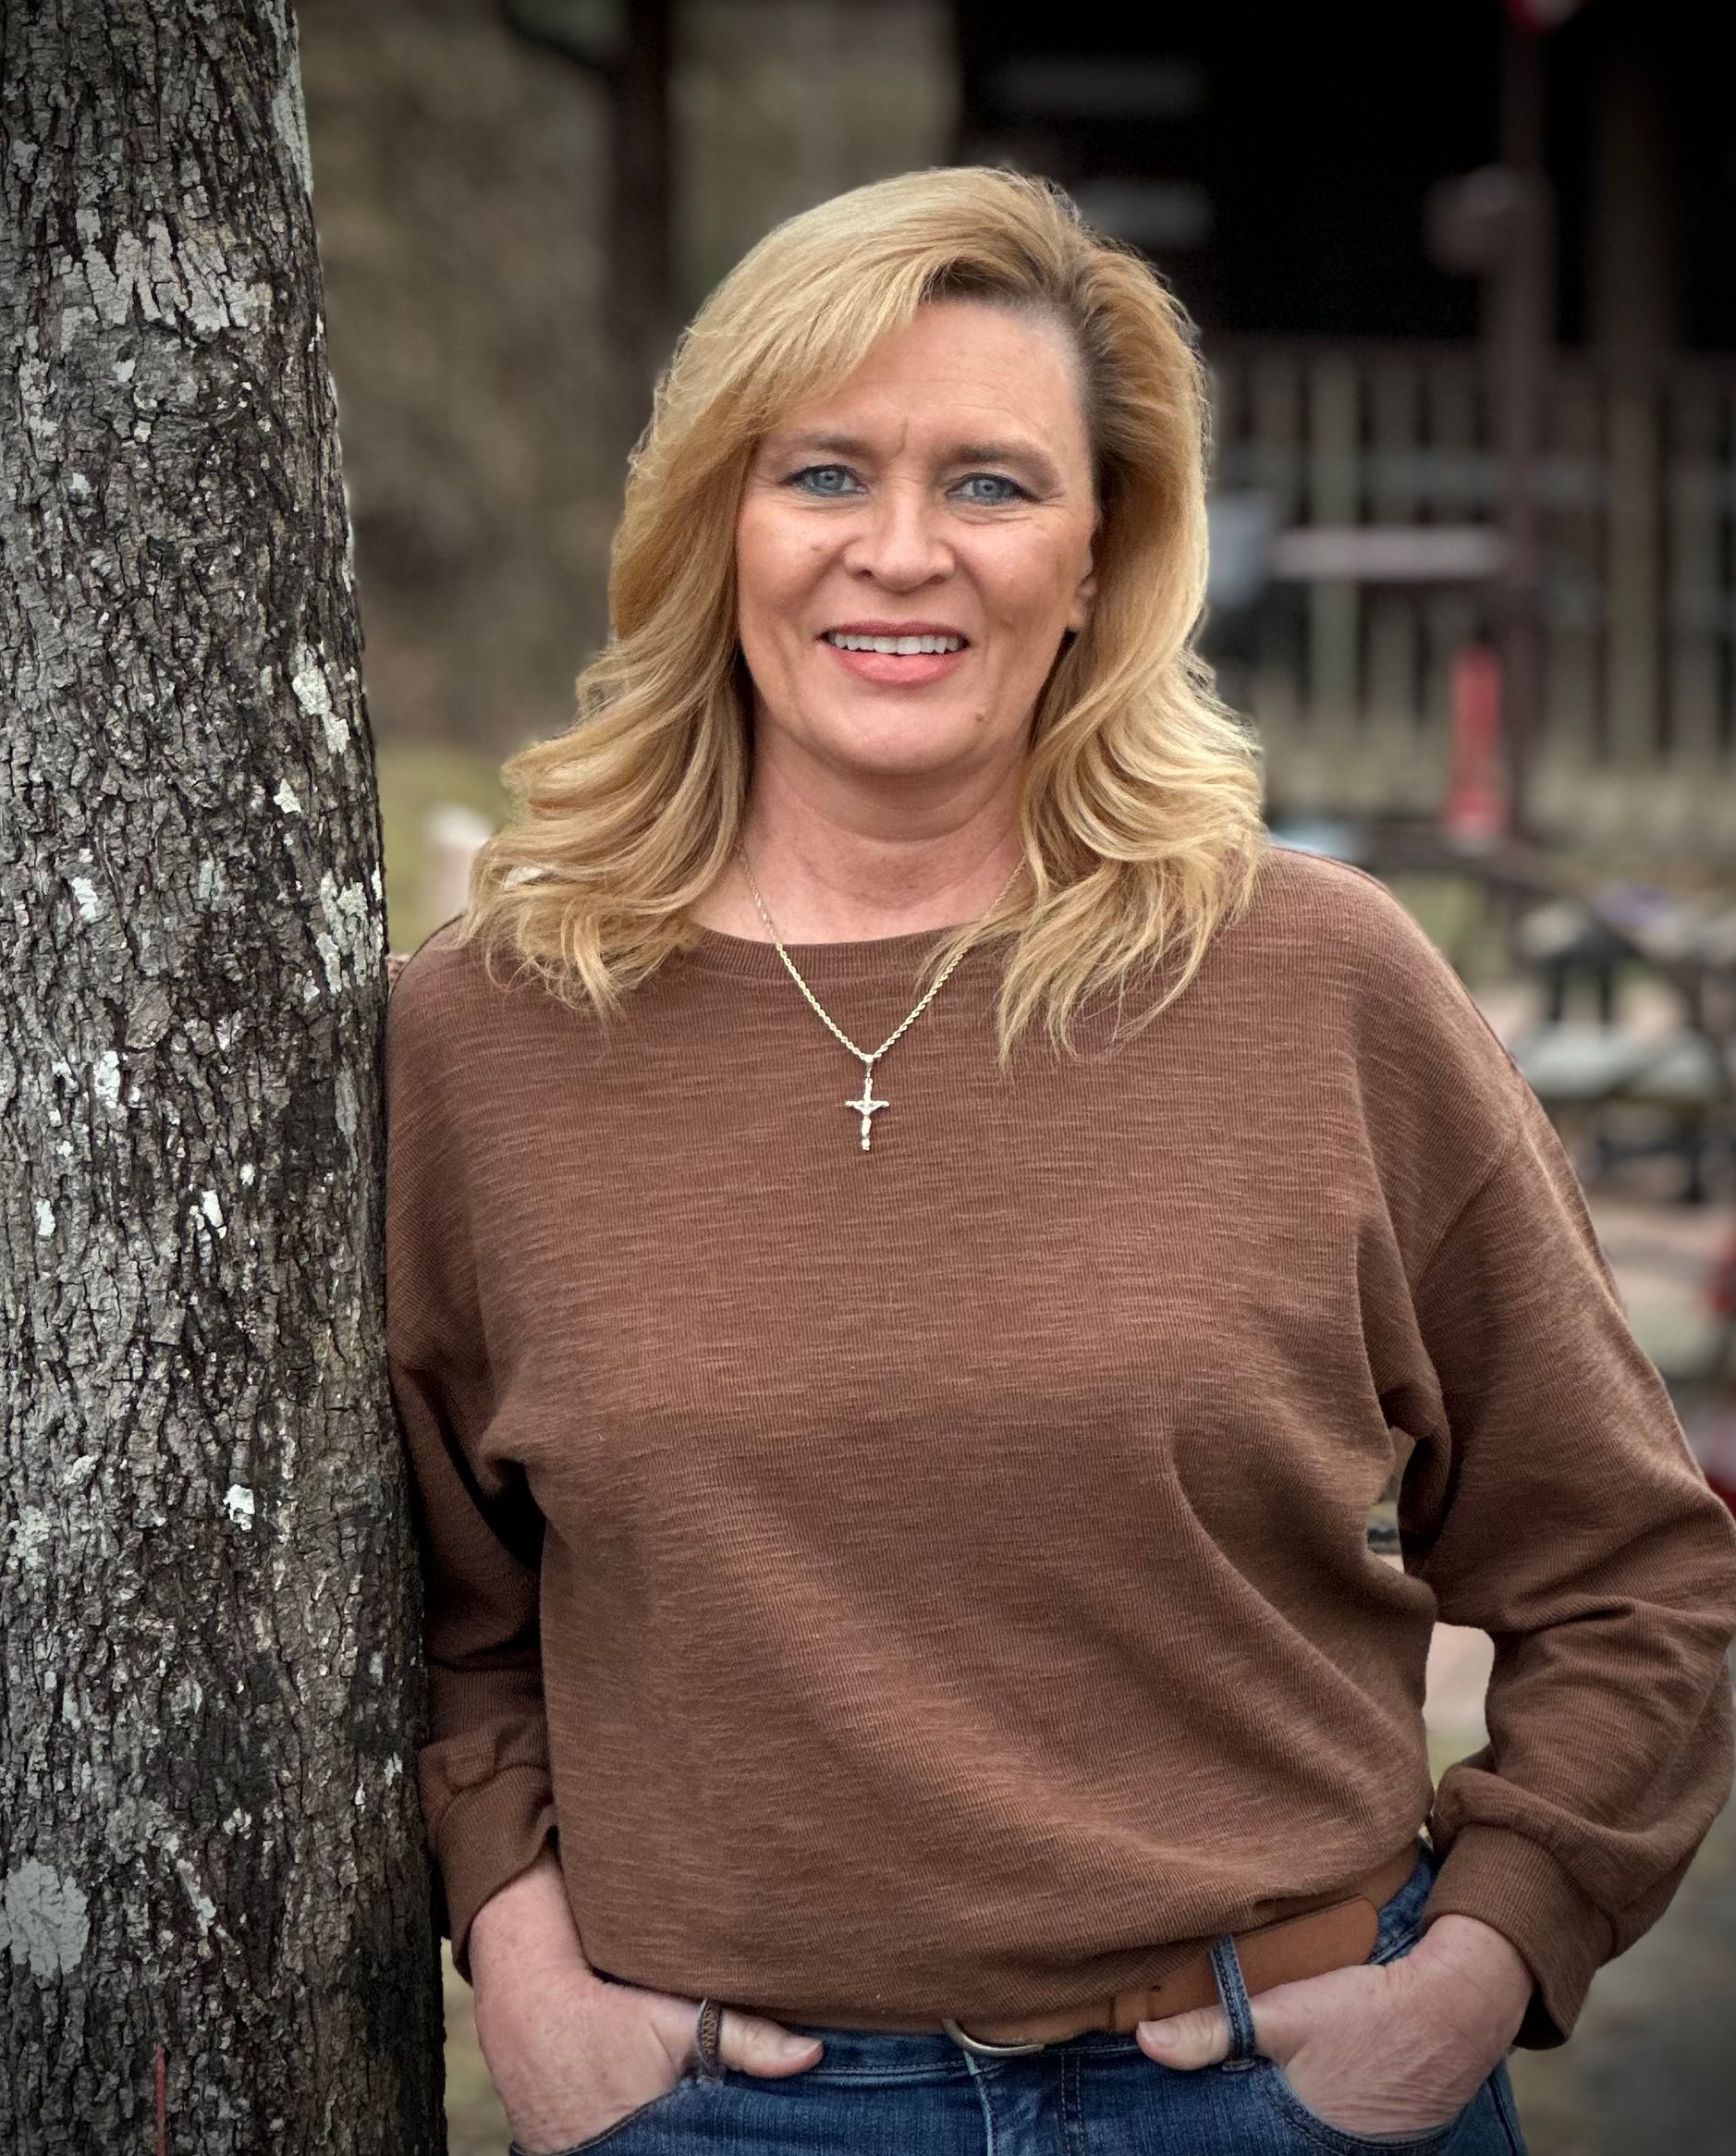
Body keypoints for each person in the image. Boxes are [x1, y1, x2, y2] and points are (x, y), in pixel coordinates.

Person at [384, 167, 1736, 2156]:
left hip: (1281, 2087)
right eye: (824, 474)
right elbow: (440, 1609)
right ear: (713, 525)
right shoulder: (491, 1032)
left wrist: (1479, 1962)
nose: (904, 552)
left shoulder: (1316, 982)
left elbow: (1630, 1564)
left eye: (995, 484)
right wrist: (516, 1944)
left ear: (1106, 553)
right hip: (719, 2113)